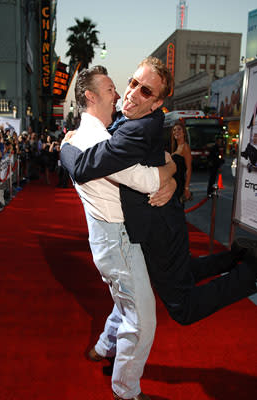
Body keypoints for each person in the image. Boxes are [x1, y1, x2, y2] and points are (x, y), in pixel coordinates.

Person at [61, 56, 257, 330]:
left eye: (145, 91)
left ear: (156, 104)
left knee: (184, 308)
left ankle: (251, 275)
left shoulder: (138, 130)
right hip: (162, 222)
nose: (131, 93)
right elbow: (162, 157)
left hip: (160, 232)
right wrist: (171, 173)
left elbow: (82, 167)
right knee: (186, 270)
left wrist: (64, 146)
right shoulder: (130, 117)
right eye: (133, 82)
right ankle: (237, 256)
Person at [61, 64, 176, 400]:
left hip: (108, 239)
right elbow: (148, 181)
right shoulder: (96, 139)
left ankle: (102, 347)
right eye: (112, 88)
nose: (119, 94)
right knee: (142, 321)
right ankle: (126, 391)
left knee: (124, 302)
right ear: (91, 95)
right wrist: (174, 166)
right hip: (117, 241)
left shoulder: (83, 136)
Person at [170, 121, 192, 203]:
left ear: (184, 133)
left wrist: (186, 188)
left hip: (179, 185)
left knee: (178, 211)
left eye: (179, 129)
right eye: (174, 130)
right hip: (173, 185)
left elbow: (189, 169)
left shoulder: (185, 147)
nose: (176, 132)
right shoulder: (175, 147)